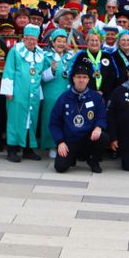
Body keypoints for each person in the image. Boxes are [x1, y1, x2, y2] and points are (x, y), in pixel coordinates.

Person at [1, 25, 52, 163]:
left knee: (31, 121)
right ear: (23, 38)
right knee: (15, 120)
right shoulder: (15, 51)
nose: (31, 42)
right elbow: (9, 71)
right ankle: (12, 149)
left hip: (34, 94)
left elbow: (44, 75)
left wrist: (53, 69)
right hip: (18, 92)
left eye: (34, 39)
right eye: (28, 39)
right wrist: (8, 91)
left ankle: (28, 149)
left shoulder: (41, 53)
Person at [49, 61, 110, 174]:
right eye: (78, 77)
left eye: (84, 77)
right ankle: (72, 157)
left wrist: (98, 127)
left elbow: (102, 116)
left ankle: (93, 160)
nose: (81, 80)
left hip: (88, 139)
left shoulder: (95, 97)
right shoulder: (64, 97)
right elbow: (54, 123)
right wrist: (60, 142)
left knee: (103, 137)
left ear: (88, 79)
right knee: (60, 167)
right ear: (73, 79)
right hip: (69, 141)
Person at [39, 28, 77, 159]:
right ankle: (51, 145)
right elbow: (41, 77)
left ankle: (66, 144)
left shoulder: (70, 57)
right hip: (51, 94)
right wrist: (52, 70)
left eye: (63, 41)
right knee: (50, 118)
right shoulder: (46, 56)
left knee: (66, 119)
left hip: (67, 93)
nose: (61, 44)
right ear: (53, 43)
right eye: (58, 41)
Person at [72, 30, 121, 99]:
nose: (94, 43)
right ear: (87, 42)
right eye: (92, 40)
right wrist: (91, 91)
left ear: (101, 42)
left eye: (96, 40)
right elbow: (74, 74)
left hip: (104, 96)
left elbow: (113, 76)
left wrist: (104, 91)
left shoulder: (107, 56)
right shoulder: (81, 56)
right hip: (85, 94)